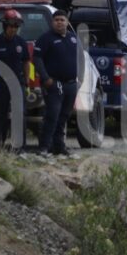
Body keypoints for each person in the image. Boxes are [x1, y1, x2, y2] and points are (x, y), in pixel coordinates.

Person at [33, 9, 80, 156]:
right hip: (54, 84)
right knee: (52, 115)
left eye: (62, 20)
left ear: (67, 22)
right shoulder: (45, 38)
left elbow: (79, 59)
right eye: (56, 20)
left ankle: (59, 147)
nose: (59, 22)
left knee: (64, 116)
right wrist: (46, 78)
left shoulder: (73, 38)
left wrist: (80, 79)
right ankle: (44, 147)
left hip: (71, 84)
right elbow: (37, 59)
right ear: (52, 22)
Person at [0, 9, 30, 150]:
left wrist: (27, 84)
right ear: (5, 26)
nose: (13, 29)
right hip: (0, 84)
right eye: (11, 26)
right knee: (0, 116)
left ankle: (19, 146)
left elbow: (26, 63)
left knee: (19, 115)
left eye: (16, 26)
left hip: (18, 84)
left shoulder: (21, 43)